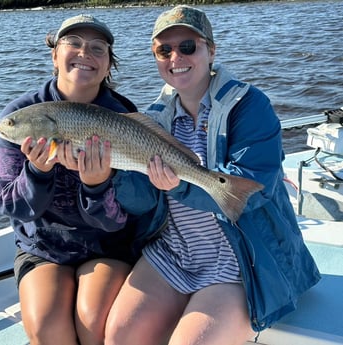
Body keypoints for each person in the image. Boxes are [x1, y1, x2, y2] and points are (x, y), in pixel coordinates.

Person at [104, 5, 321, 345]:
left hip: (240, 260)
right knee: (119, 335)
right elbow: (141, 202)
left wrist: (179, 186)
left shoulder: (250, 105)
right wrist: (109, 171)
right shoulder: (153, 119)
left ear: (211, 50)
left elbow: (253, 191)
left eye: (188, 46)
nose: (176, 56)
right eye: (164, 50)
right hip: (175, 251)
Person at [0, 14, 152, 345]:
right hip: (43, 247)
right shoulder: (21, 115)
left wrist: (96, 186)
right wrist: (38, 173)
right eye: (73, 44)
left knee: (94, 322)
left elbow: (127, 218)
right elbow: (13, 207)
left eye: (98, 48)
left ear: (109, 63)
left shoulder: (123, 115)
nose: (85, 53)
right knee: (46, 328)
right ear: (54, 54)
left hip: (107, 246)